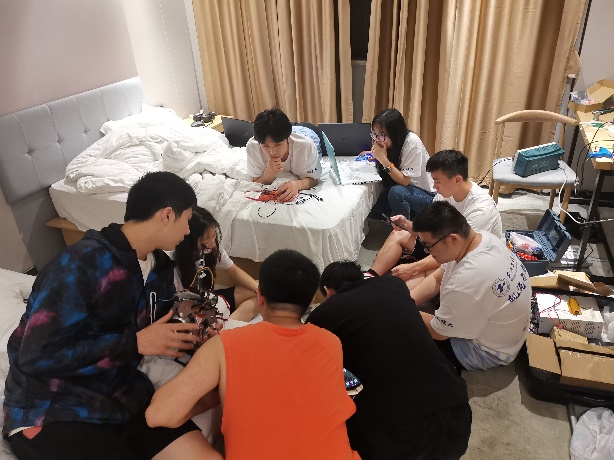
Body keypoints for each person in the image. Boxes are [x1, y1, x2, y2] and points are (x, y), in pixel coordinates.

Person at [3, 171, 221, 460]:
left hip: (122, 396)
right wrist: (134, 343)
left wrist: (193, 333)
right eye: (187, 220)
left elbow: (158, 328)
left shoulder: (160, 270)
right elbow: (36, 356)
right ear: (167, 215)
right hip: (57, 408)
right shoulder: (81, 263)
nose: (187, 230)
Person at [146, 250, 360, 460]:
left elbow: (159, 415)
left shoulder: (223, 345)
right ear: (312, 299)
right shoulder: (331, 343)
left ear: (260, 296)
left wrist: (214, 397)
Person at [307, 261, 472, 460]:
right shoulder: (394, 285)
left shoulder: (321, 317)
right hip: (456, 413)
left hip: (394, 431)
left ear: (327, 290)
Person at [409, 201, 531, 371]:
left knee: (399, 332)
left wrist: (401, 308)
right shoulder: (482, 238)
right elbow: (438, 277)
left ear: (453, 239)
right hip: (505, 333)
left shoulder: (466, 280)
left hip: (486, 351)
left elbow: (439, 332)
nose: (426, 252)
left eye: (428, 246)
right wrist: (408, 300)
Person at [369, 149, 502, 289]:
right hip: (441, 247)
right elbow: (429, 229)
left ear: (457, 179)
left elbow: (458, 252)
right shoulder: (445, 195)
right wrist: (406, 224)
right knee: (398, 234)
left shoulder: (480, 209)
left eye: (437, 181)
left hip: (466, 259)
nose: (434, 186)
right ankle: (369, 277)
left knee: (428, 273)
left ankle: (396, 293)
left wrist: (414, 267)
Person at [174, 206, 258, 322]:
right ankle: (226, 325)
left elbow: (233, 270)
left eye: (214, 236)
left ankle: (228, 323)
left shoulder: (213, 250)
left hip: (209, 298)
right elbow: (180, 304)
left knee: (261, 290)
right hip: (190, 309)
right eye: (206, 240)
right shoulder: (174, 261)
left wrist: (260, 290)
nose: (213, 243)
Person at [366, 108, 435, 220]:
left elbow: (404, 181)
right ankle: (411, 218)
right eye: (374, 134)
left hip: (428, 194)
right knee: (372, 209)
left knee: (396, 193)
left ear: (394, 133)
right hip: (409, 190)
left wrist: (383, 159)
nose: (377, 139)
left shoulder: (412, 142)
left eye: (381, 135)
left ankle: (404, 228)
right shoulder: (391, 143)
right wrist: (375, 154)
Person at [246, 107, 321, 202]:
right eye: (265, 146)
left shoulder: (306, 146)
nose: (272, 152)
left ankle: (298, 127)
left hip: (308, 133)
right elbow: (256, 181)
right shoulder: (253, 147)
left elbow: (314, 179)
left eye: (278, 145)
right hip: (286, 133)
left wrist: (297, 184)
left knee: (309, 131)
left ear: (287, 138)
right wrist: (268, 174)